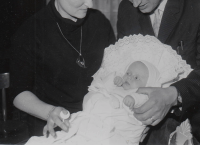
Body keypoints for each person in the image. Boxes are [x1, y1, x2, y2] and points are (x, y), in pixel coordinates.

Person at [9, 0, 115, 138]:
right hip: (53, 128)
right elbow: (18, 94)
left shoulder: (100, 23)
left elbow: (113, 73)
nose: (90, 3)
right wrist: (50, 111)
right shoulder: (30, 31)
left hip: (99, 124)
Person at [24, 34, 192, 145]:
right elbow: (101, 84)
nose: (129, 78)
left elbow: (142, 101)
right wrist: (114, 79)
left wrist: (132, 100)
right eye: (128, 73)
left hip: (114, 133)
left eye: (136, 78)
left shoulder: (140, 94)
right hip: (91, 120)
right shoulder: (118, 86)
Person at [111, 0, 200, 144]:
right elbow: (126, 65)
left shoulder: (196, 5)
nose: (134, 3)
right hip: (138, 124)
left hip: (191, 124)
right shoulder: (126, 10)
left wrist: (173, 94)